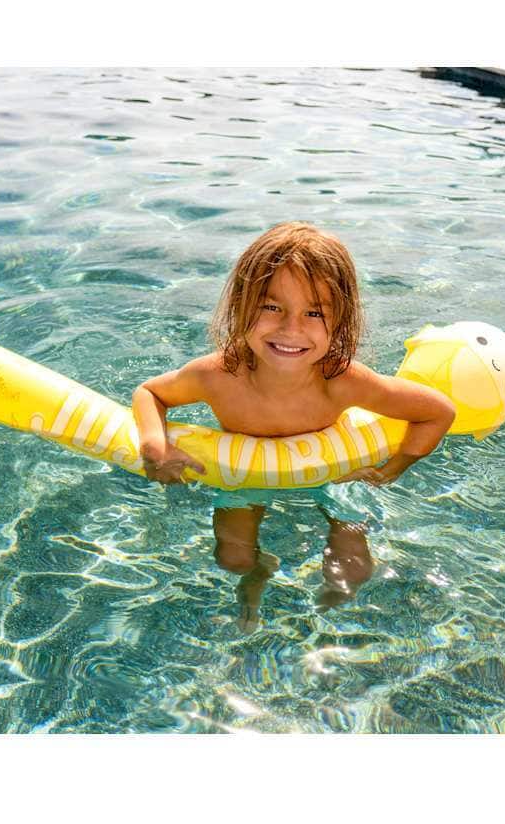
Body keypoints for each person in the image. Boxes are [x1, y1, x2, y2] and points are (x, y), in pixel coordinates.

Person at [132, 222, 456, 630]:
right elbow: (150, 392)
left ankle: (323, 636)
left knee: (353, 569)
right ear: (240, 305)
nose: (291, 329)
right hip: (245, 473)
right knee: (232, 559)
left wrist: (393, 469)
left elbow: (437, 411)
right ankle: (258, 571)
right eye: (271, 307)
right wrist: (155, 444)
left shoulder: (342, 380)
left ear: (340, 321)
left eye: (314, 313)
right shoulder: (218, 375)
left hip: (332, 475)